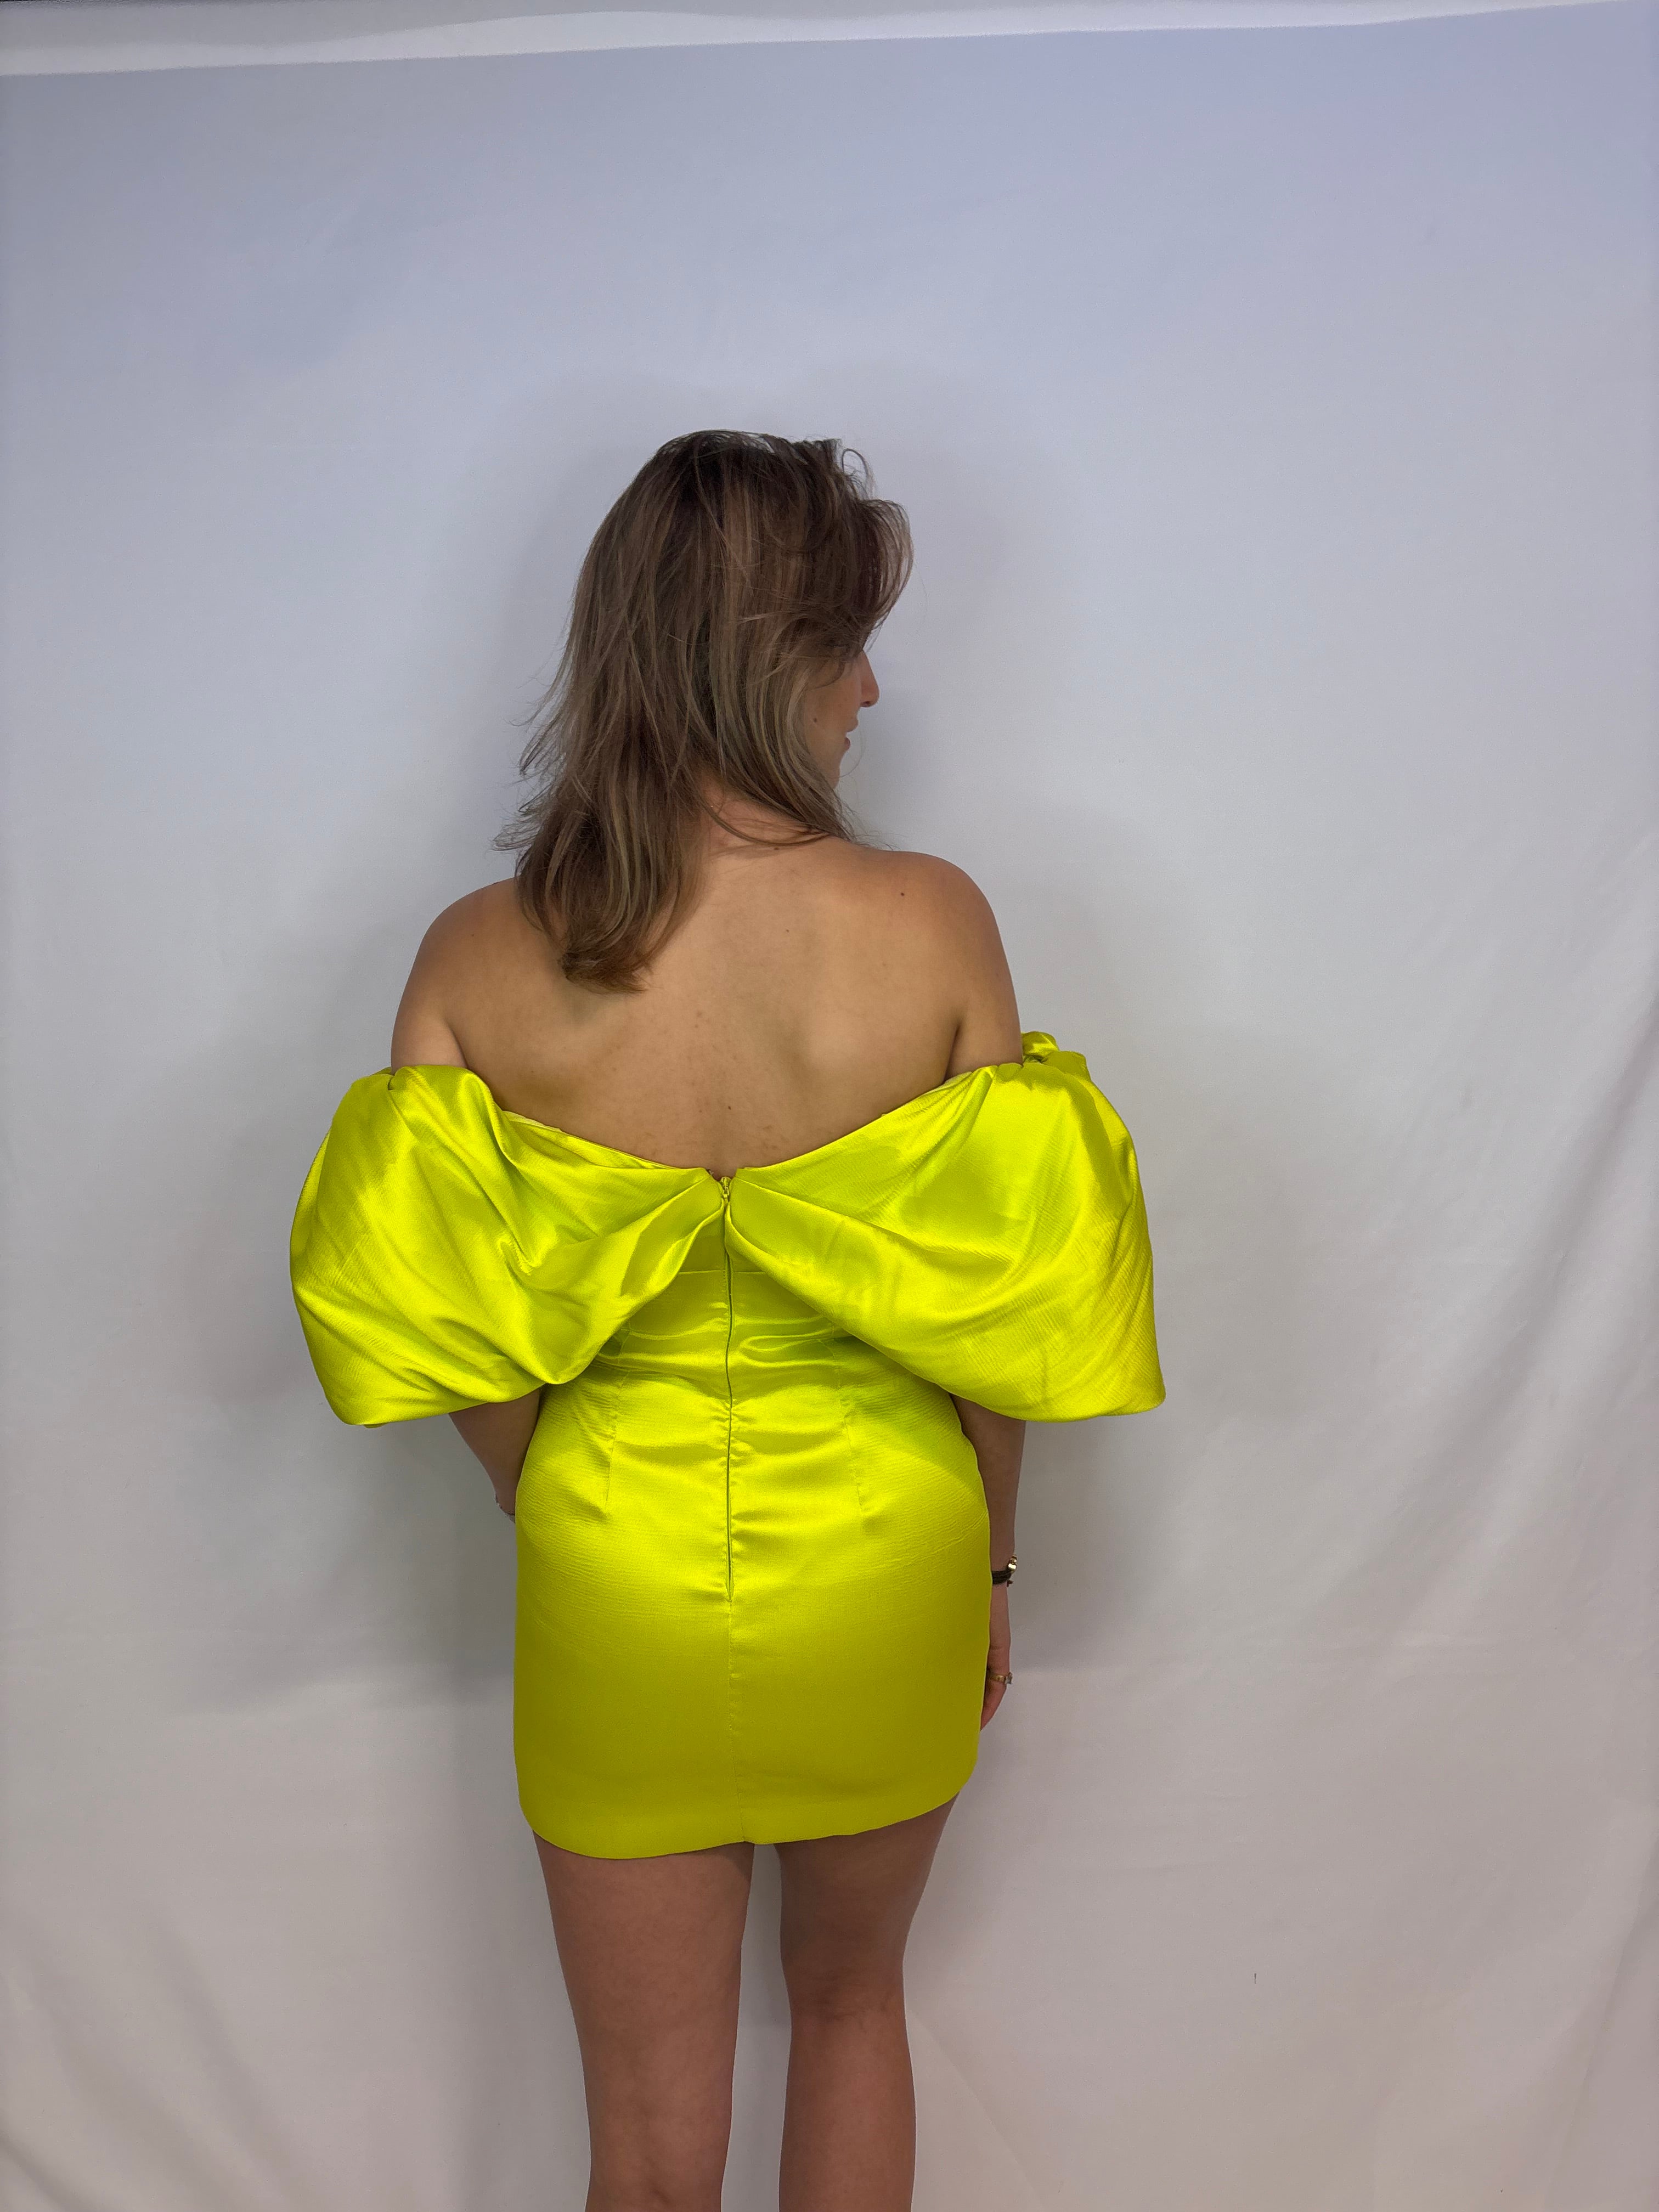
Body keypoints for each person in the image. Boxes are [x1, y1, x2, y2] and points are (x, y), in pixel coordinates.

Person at [290, 430, 1164, 2211]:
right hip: (890, 1553)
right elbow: (997, 1312)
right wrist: (992, 1566)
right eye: (848, 643)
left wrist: (563, 1499)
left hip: (612, 1561)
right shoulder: (932, 921)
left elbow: (443, 1329)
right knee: (851, 2009)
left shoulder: (476, 954)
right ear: (764, 658)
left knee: (643, 2147)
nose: (869, 691)